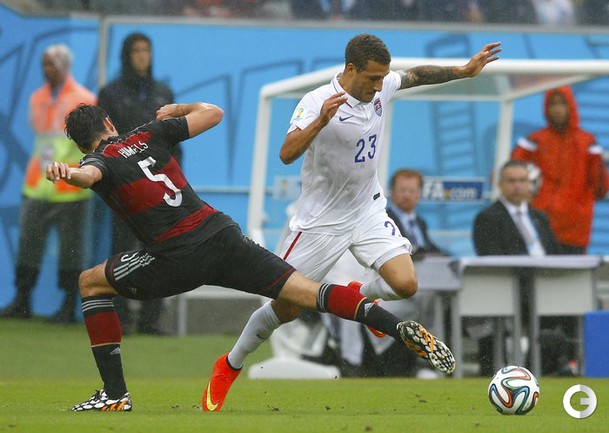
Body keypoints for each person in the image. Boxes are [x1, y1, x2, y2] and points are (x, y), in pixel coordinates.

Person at [49, 102, 455, 412]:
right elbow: (214, 112)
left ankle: (115, 394)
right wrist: (180, 109)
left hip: (175, 256)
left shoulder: (97, 159)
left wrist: (71, 173)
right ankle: (392, 325)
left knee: (91, 282)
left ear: (81, 144)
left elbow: (91, 175)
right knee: (306, 292)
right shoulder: (149, 133)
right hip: (221, 235)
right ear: (109, 123)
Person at [203, 34, 501, 410]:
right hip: (320, 222)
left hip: (367, 210)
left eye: (382, 78)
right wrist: (319, 123)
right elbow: (286, 153)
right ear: (350, 69)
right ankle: (229, 364)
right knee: (287, 307)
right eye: (372, 78)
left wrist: (463, 70)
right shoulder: (316, 101)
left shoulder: (381, 86)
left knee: (406, 284)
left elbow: (416, 75)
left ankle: (360, 293)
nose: (379, 86)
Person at [0, 44, 96, 323]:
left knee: (71, 249)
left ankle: (68, 306)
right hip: (37, 185)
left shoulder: (84, 99)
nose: (46, 69)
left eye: (51, 64)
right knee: (28, 243)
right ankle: (22, 300)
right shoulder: (37, 97)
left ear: (64, 65)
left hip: (70, 188)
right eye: (44, 64)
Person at [98, 32, 179, 335]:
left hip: (157, 184)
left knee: (159, 251)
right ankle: (120, 316)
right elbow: (102, 141)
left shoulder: (163, 92)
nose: (143, 56)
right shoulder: (110, 94)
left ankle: (150, 319)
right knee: (121, 250)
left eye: (147, 50)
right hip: (123, 185)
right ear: (126, 55)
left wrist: (174, 176)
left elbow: (174, 137)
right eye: (137, 51)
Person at [472, 160, 563, 376]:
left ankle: (549, 368)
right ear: (500, 184)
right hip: (512, 290)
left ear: (530, 184)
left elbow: (556, 254)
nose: (517, 186)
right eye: (511, 181)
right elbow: (491, 258)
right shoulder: (487, 218)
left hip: (549, 287)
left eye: (522, 180)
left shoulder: (540, 217)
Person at [511, 86, 609, 254]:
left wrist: (579, 206)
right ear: (545, 107)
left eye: (562, 103)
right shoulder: (534, 141)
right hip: (539, 226)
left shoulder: (587, 142)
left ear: (571, 106)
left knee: (571, 270)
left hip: (575, 229)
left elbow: (601, 187)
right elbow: (512, 174)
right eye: (552, 103)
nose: (557, 109)